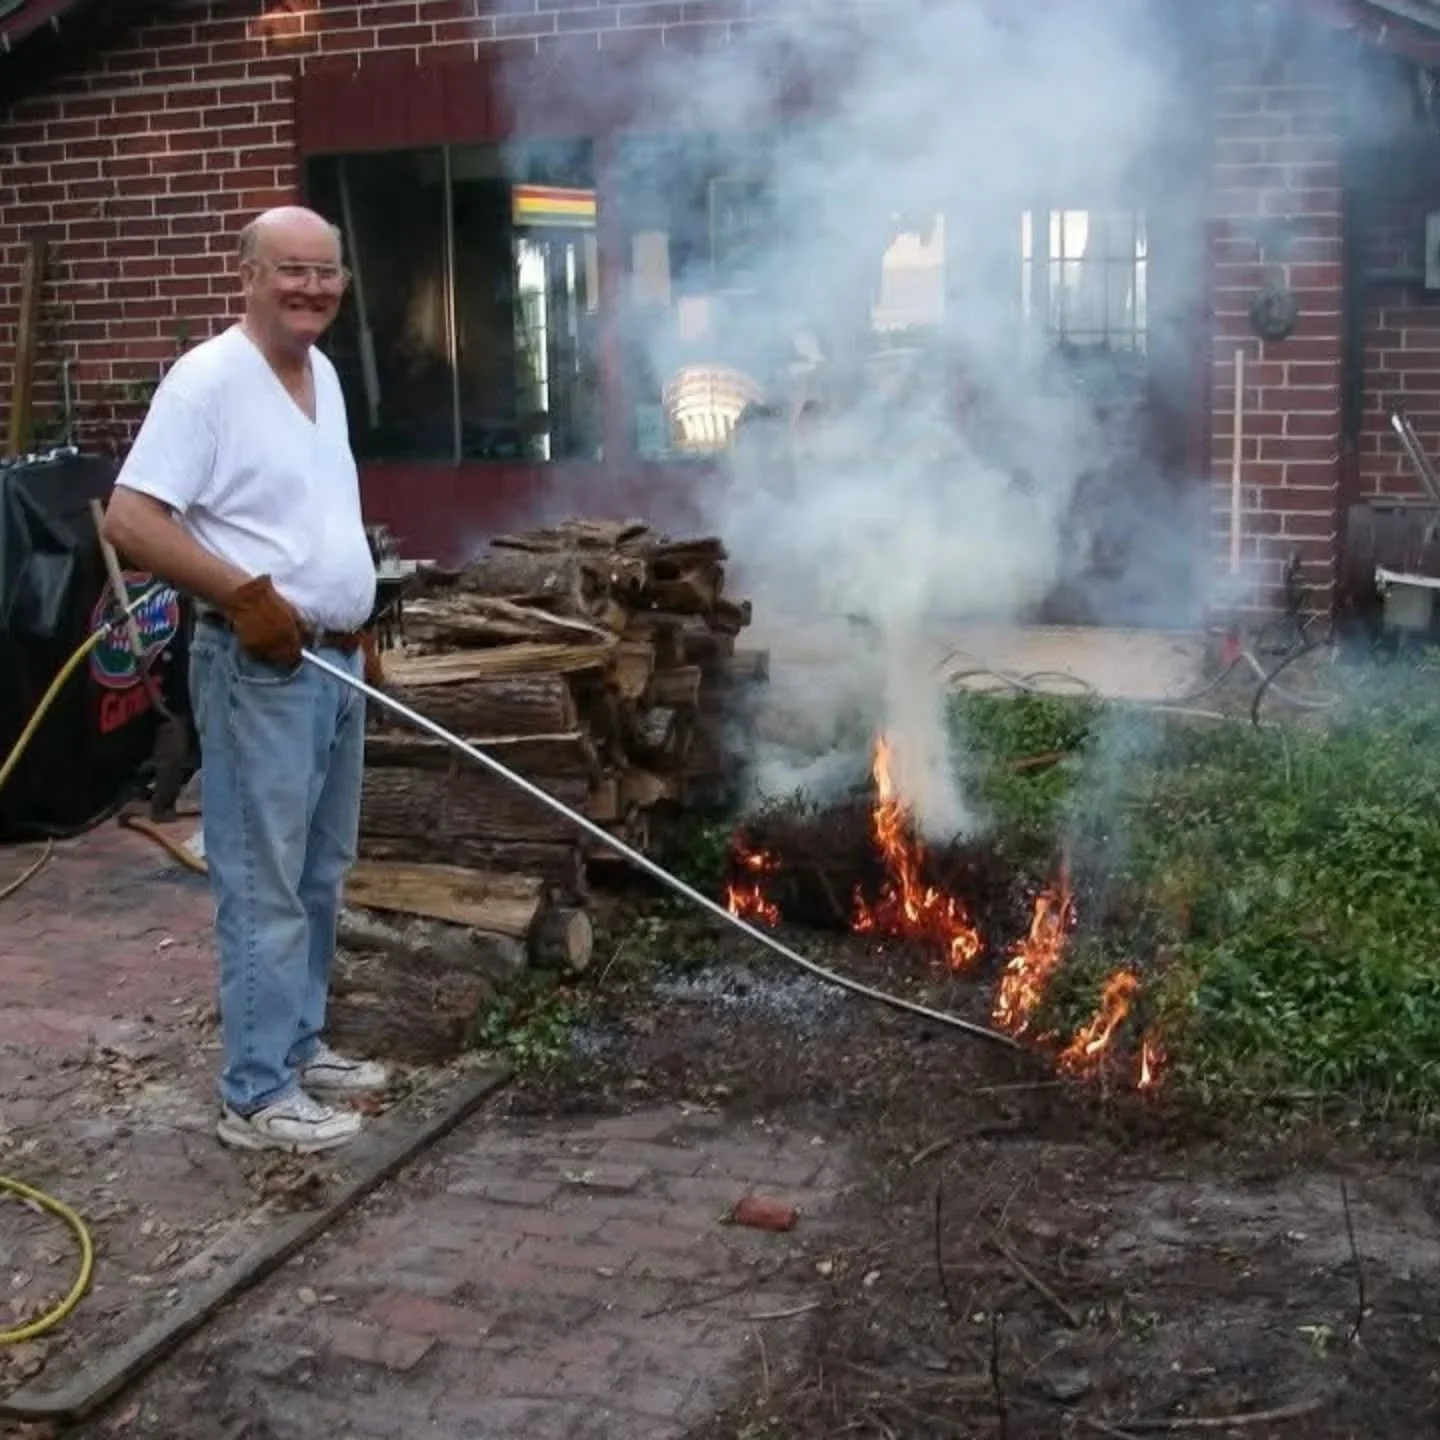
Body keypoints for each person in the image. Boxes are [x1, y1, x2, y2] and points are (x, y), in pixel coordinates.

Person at [102, 206, 388, 1154]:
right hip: (259, 663)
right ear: (248, 276)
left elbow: (318, 508)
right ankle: (256, 1097)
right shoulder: (208, 381)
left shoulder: (325, 375)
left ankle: (300, 1047)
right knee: (262, 881)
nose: (312, 288)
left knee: (319, 870)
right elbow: (132, 521)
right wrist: (243, 594)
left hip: (334, 658)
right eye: (290, 271)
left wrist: (358, 614)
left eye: (327, 273)